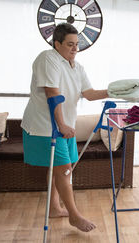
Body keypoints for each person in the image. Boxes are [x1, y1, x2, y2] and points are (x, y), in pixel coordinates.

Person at [21, 23, 108, 232]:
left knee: (60, 168)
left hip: (64, 126)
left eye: (77, 44)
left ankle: (54, 208)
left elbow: (89, 93)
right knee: (64, 169)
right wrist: (61, 125)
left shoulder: (77, 67)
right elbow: (53, 94)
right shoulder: (48, 58)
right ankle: (74, 216)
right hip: (45, 126)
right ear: (57, 43)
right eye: (70, 44)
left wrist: (113, 91)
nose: (75, 48)